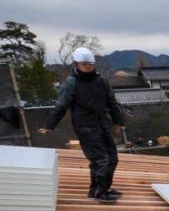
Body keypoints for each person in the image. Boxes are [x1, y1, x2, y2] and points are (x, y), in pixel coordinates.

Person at [38, 48, 123, 203]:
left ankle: (104, 188)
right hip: (86, 126)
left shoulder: (101, 81)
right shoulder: (72, 83)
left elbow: (112, 102)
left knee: (112, 157)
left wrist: (118, 122)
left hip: (102, 124)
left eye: (90, 64)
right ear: (77, 64)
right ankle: (98, 192)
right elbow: (61, 105)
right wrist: (49, 124)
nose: (88, 67)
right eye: (84, 64)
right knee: (100, 160)